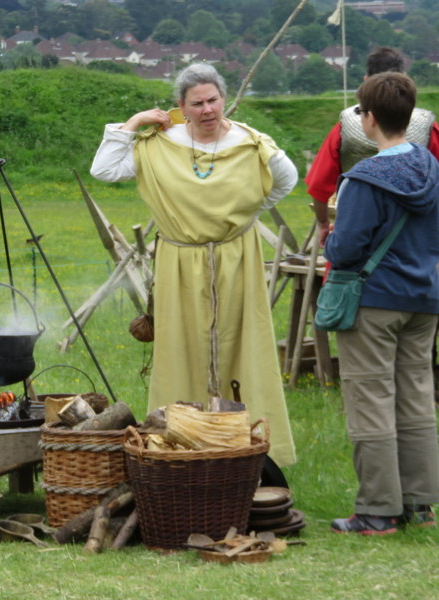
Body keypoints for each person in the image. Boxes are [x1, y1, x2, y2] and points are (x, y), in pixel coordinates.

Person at [90, 62, 297, 467]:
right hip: (180, 262)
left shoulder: (251, 143)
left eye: (213, 100)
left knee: (241, 347)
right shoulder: (158, 144)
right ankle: (182, 446)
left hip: (237, 259)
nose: (207, 110)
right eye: (197, 103)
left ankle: (243, 449)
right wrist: (133, 122)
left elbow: (286, 180)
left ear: (224, 98)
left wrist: (244, 216)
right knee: (182, 350)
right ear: (181, 107)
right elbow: (105, 169)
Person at [324, 72, 439, 535]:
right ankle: (421, 502)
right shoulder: (433, 168)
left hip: (373, 300)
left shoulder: (364, 178)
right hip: (426, 298)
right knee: (415, 396)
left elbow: (347, 249)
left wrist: (332, 242)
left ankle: (377, 509)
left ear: (368, 119)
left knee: (370, 397)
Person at [306, 46, 439, 247]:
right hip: (414, 243)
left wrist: (323, 223)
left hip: (356, 235)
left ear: (366, 80)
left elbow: (318, 185)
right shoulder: (428, 128)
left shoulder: (344, 128)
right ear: (405, 79)